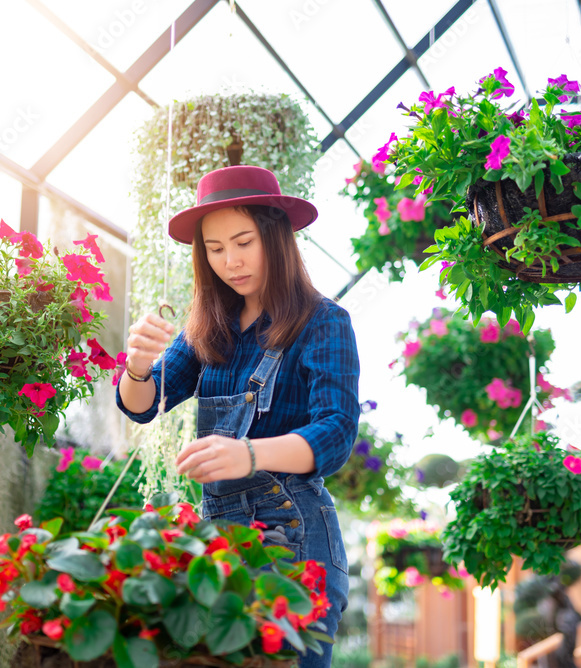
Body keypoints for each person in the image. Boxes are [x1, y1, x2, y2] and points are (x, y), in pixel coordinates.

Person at [116, 165, 360, 668]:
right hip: (225, 541)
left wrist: (248, 453)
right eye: (215, 248)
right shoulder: (210, 328)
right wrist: (136, 366)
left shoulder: (323, 322)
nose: (231, 261)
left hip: (296, 539)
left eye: (244, 241)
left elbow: (336, 431)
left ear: (276, 236)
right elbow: (144, 404)